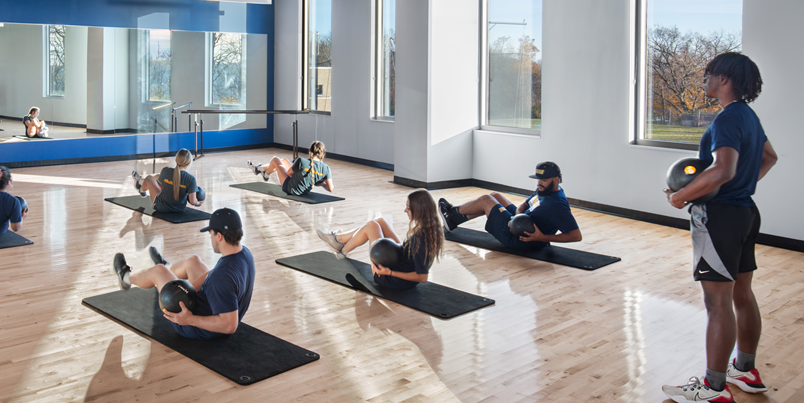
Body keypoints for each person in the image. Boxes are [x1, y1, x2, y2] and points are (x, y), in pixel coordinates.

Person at [661, 52, 777, 403]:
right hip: (745, 212)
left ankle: (714, 388)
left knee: (717, 303)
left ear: (724, 78)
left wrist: (681, 196)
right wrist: (740, 187)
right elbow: (769, 157)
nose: (705, 80)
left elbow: (723, 169)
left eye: (709, 74)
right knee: (742, 294)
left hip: (720, 218)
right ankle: (745, 370)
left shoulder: (727, 118)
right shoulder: (749, 116)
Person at [112, 208, 255, 340]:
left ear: (219, 236)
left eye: (211, 234)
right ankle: (168, 269)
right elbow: (215, 274)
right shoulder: (243, 254)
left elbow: (229, 325)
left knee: (159, 271)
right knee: (193, 261)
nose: (210, 238)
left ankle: (125, 277)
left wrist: (189, 319)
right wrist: (188, 288)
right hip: (206, 306)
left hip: (196, 325)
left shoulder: (221, 279)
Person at [437, 161, 582, 251]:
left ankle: (452, 214)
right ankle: (453, 219)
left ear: (556, 179)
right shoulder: (543, 190)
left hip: (520, 239)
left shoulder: (557, 204)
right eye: (538, 179)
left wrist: (543, 237)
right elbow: (525, 205)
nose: (539, 183)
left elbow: (576, 236)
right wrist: (517, 215)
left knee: (487, 200)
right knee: (495, 196)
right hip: (519, 221)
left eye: (543, 179)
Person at [316, 189, 445, 289]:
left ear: (420, 210)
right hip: (401, 259)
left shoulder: (421, 239)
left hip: (390, 278)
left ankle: (342, 251)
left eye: (409, 208)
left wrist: (388, 273)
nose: (405, 210)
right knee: (380, 221)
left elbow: (422, 277)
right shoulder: (430, 228)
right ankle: (339, 239)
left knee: (371, 226)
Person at [247, 141, 334, 196]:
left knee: (275, 159)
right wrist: (321, 183)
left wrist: (300, 174)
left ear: (310, 152)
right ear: (322, 153)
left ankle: (265, 174)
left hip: (290, 188)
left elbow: (289, 174)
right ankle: (259, 169)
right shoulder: (326, 169)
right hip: (305, 192)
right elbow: (330, 189)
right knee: (284, 160)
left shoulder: (301, 161)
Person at [131, 149, 203, 213]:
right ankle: (140, 182)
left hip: (160, 207)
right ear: (189, 163)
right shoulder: (191, 179)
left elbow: (159, 184)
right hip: (179, 209)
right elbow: (193, 201)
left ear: (176, 159)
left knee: (149, 178)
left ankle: (141, 188)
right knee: (160, 177)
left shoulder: (166, 170)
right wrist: (198, 203)